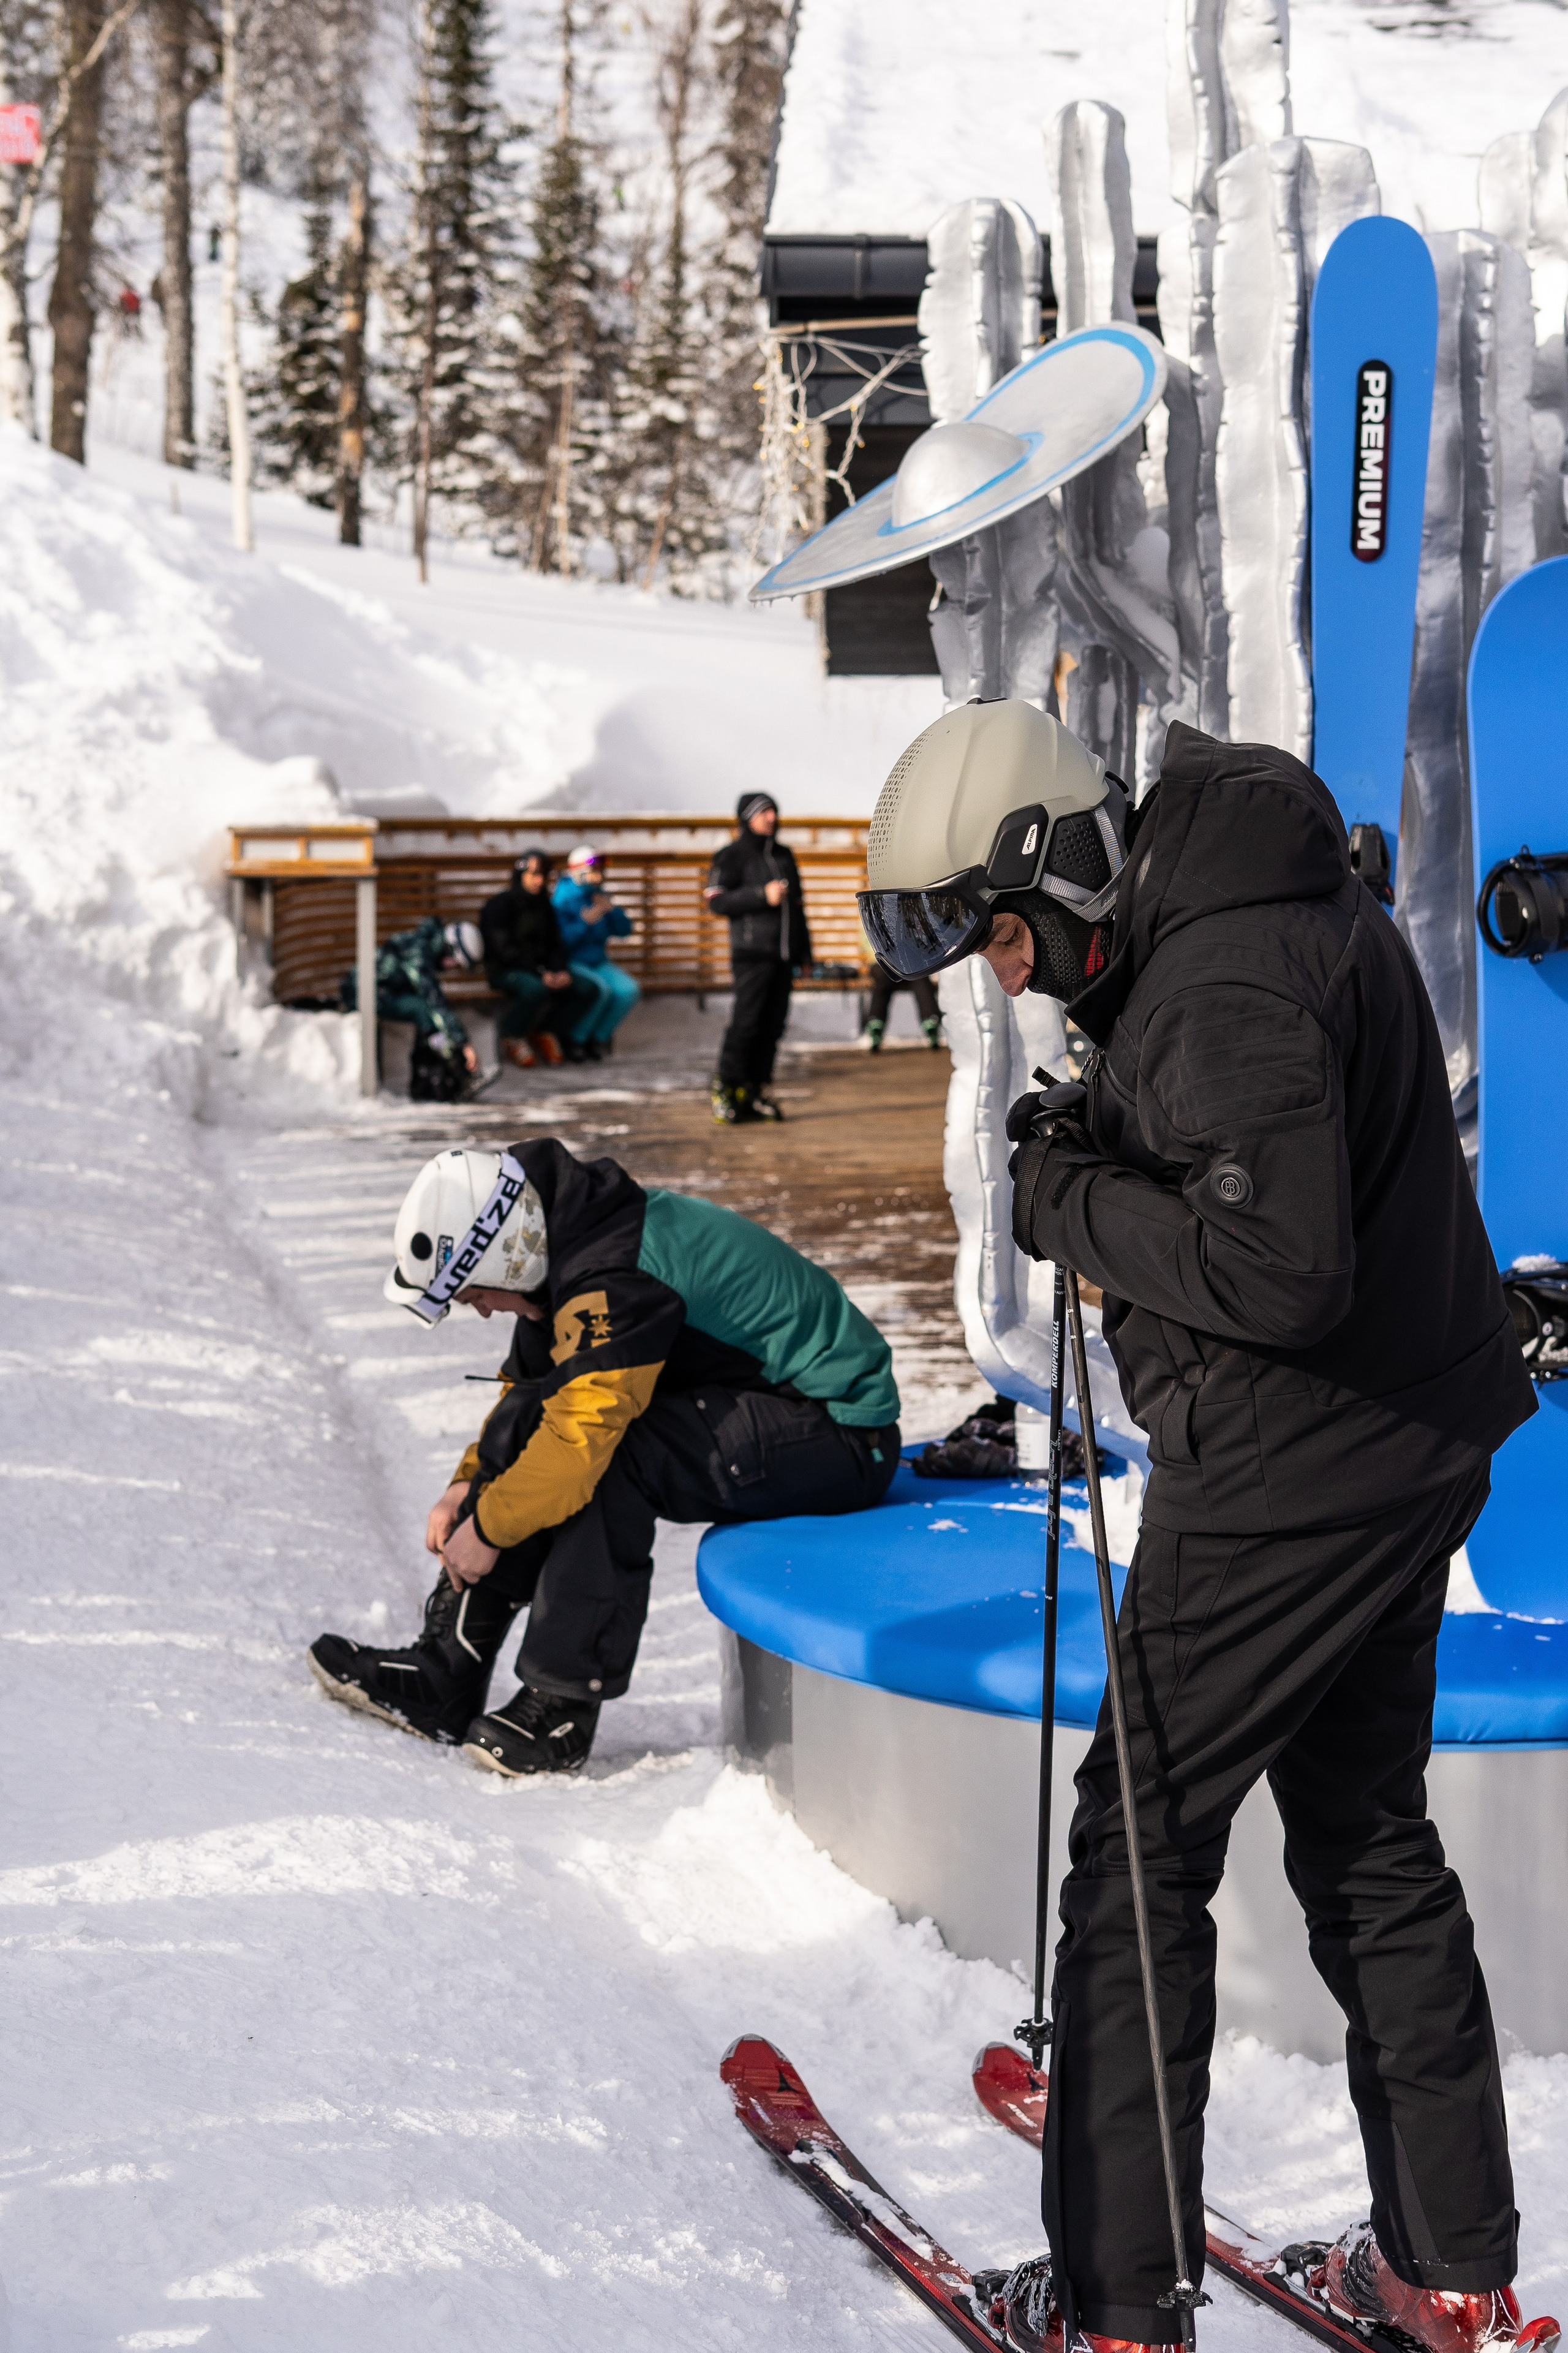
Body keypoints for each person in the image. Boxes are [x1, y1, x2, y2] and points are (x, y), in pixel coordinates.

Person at [858, 698, 1554, 2353]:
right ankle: (1448, 2274)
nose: (1004, 978)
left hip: (1289, 1475)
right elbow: (1260, 1158)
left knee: (1137, 1859)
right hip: (1405, 1439)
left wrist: (1065, 1196)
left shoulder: (1221, 982)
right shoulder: (1240, 902)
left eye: (1002, 938)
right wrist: (1103, 1134)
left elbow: (1278, 1271)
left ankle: (1116, 2308)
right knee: (1366, 1838)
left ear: (1061, 866)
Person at [309, 1138, 901, 1777]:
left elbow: (578, 1445)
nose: (478, 1310)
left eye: (473, 1293)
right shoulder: (561, 1245)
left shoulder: (613, 1277)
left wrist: (489, 1529)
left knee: (616, 1456)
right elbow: (530, 1395)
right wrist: (468, 1484)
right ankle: (445, 1671)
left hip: (838, 1431)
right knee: (543, 1421)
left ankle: (560, 1707)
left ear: (507, 1256)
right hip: (759, 1402)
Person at [705, 791, 812, 1124]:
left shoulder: (784, 855)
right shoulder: (731, 855)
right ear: (747, 818)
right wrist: (760, 895)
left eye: (773, 811)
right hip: (752, 954)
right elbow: (716, 900)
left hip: (783, 956)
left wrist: (805, 954)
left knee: (773, 1026)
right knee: (747, 1023)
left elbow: (798, 908)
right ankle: (727, 1088)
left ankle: (755, 1090)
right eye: (764, 812)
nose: (772, 818)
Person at [341, 916, 482, 1101]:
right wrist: (463, 1043)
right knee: (423, 1011)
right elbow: (433, 999)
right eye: (455, 962)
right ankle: (451, 1071)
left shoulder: (422, 946)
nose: (452, 967)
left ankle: (434, 1080)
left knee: (427, 1017)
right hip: (361, 994)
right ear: (450, 948)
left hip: (380, 991)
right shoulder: (419, 952)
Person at [479, 852, 594, 1068]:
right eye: (533, 875)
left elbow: (555, 943)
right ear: (520, 874)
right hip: (506, 970)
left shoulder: (543, 905)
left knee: (585, 989)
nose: (539, 881)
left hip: (541, 970)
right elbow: (504, 951)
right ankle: (512, 1034)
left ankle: (546, 1031)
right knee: (535, 989)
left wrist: (560, 969)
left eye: (543, 875)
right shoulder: (499, 905)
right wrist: (541, 972)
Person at [552, 845, 639, 1060]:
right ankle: (577, 1039)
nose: (598, 877)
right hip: (573, 961)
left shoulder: (598, 896)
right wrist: (585, 923)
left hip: (598, 961)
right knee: (601, 991)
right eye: (593, 871)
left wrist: (612, 910)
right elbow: (560, 942)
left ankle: (599, 1037)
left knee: (628, 990)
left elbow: (625, 930)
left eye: (600, 871)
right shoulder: (563, 899)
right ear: (578, 871)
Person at [861, 964, 943, 1052]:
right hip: (884, 966)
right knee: (882, 975)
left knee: (920, 975)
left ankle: (931, 1021)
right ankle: (876, 1023)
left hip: (910, 967)